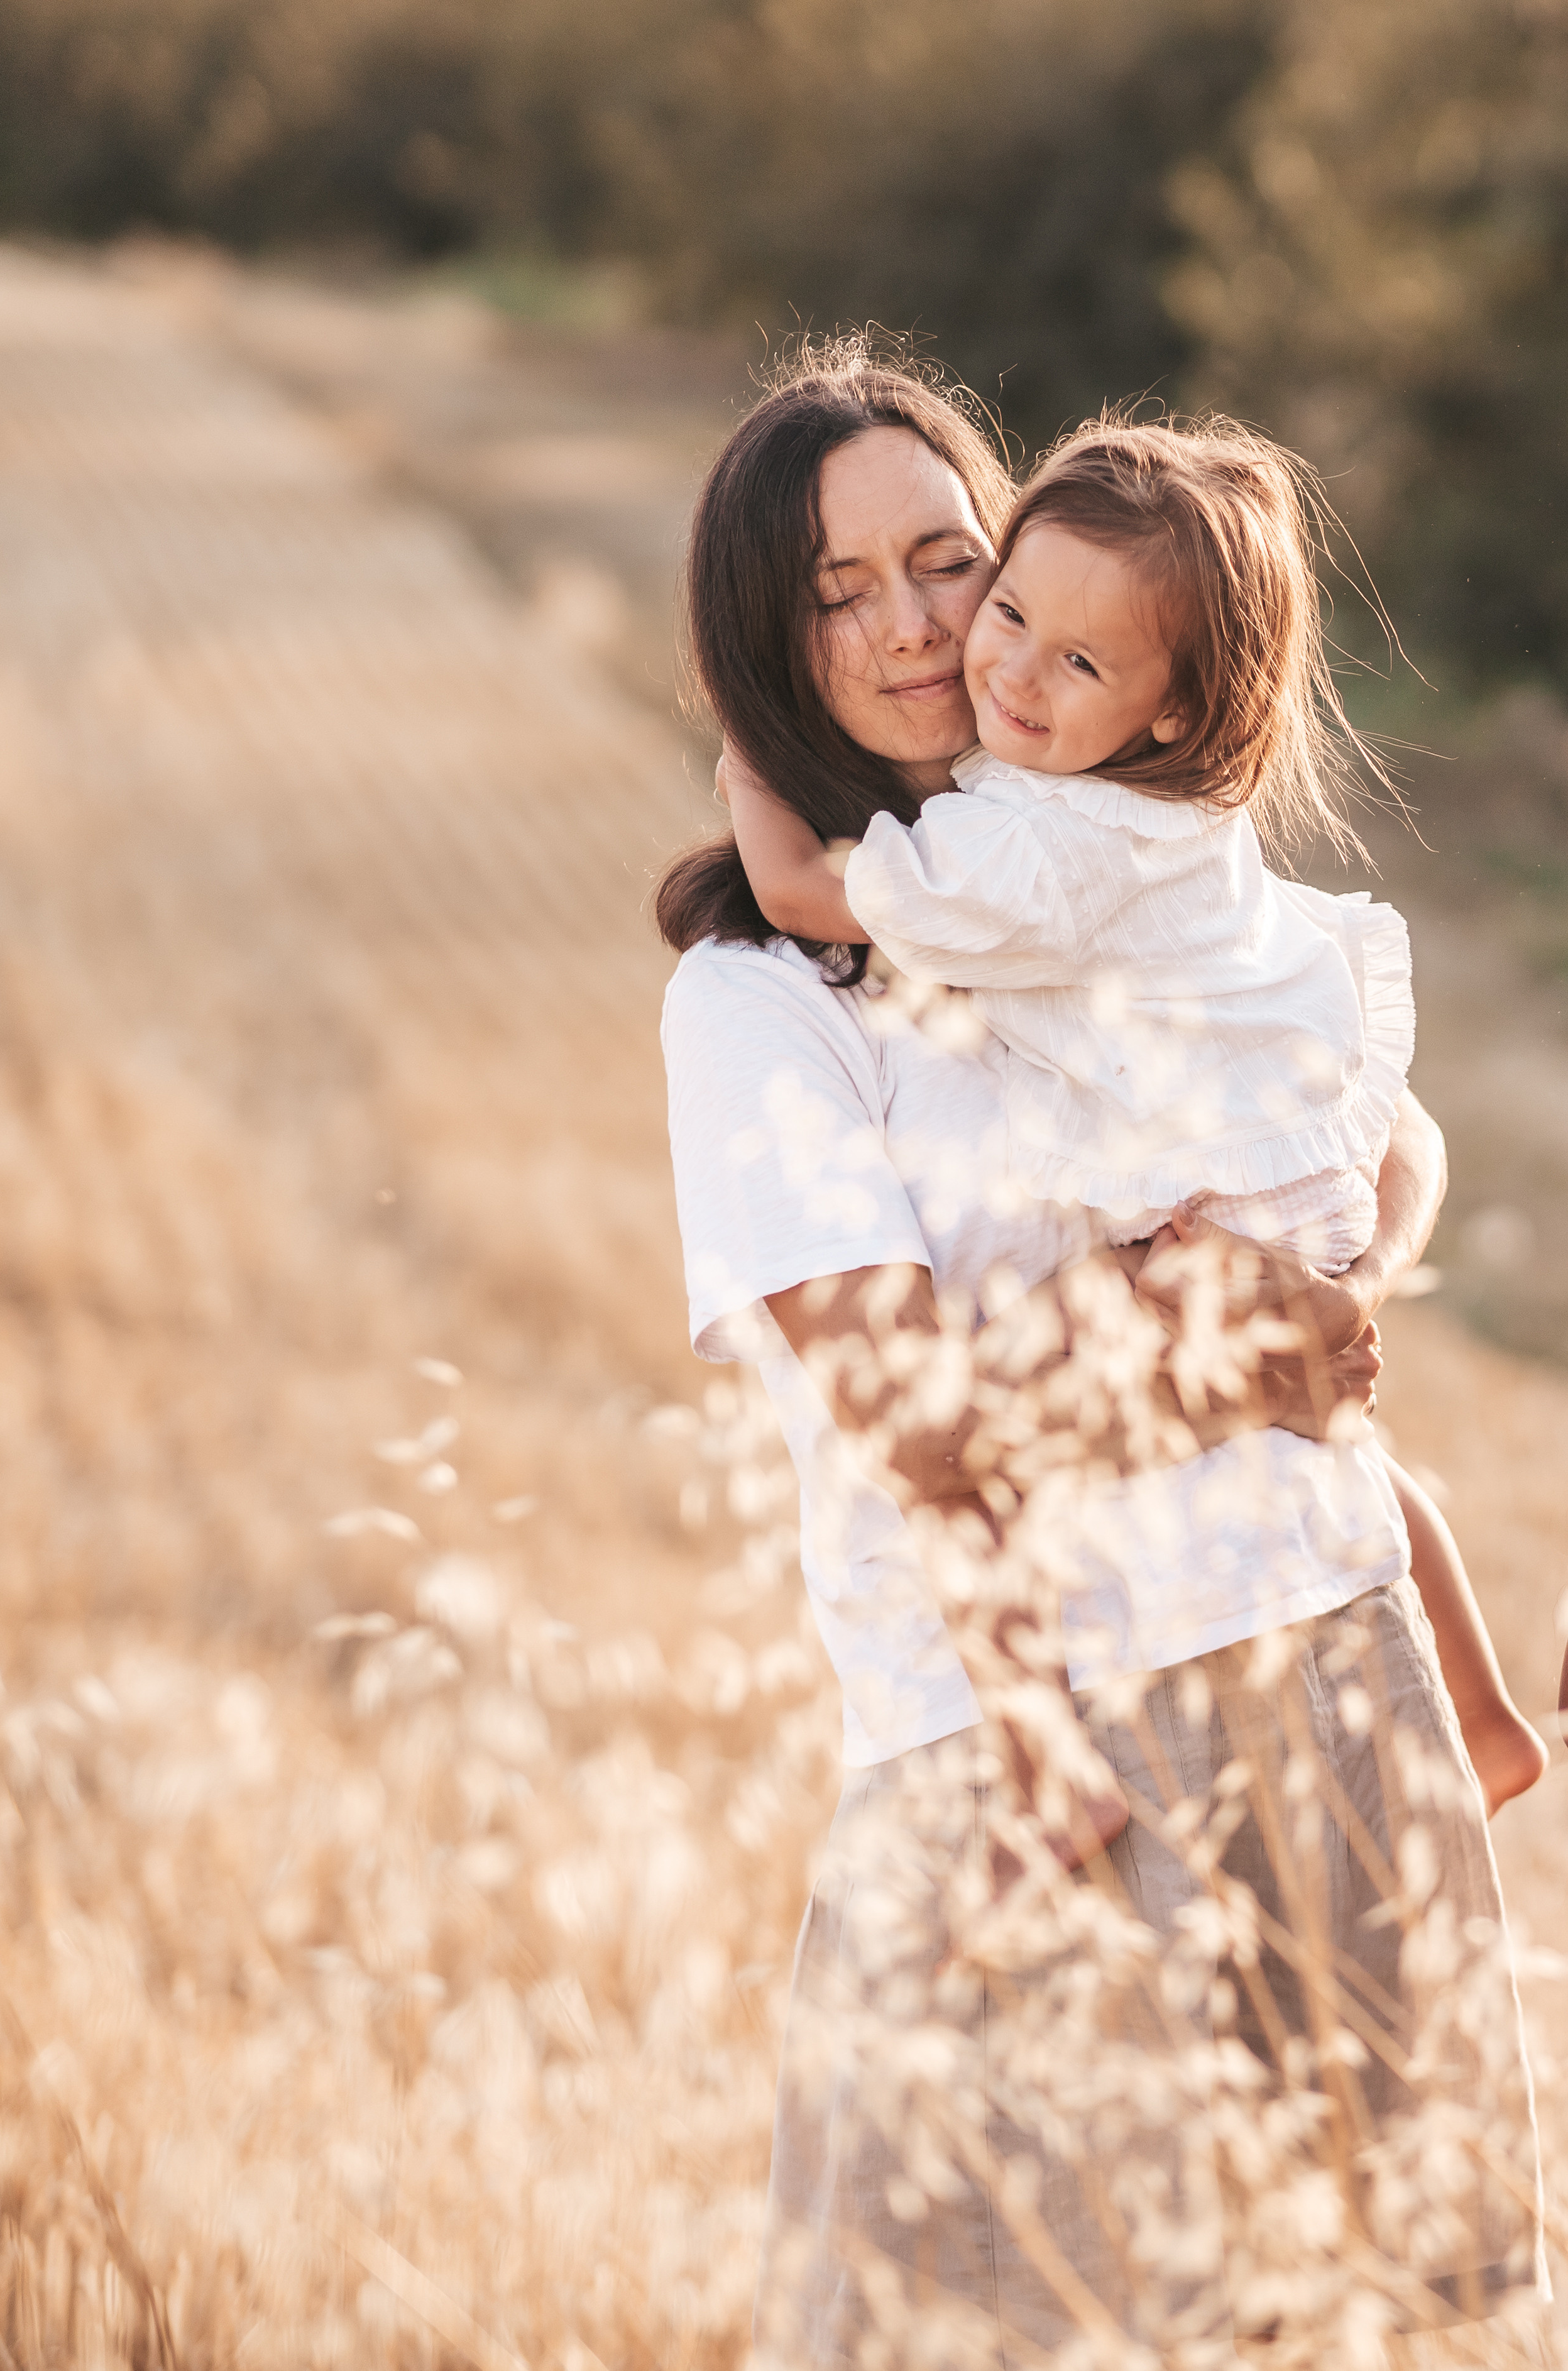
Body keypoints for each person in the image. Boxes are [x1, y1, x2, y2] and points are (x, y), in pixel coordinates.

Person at [656, 342, 1544, 2362]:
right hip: (1026, 1764)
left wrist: (1343, 1267)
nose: (908, 623)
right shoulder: (762, 1001)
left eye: (944, 558)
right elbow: (912, 1413)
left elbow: (1368, 1119)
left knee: (1419, 2318)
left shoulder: (1108, 857)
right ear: (757, 641)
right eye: (831, 589)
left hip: (1323, 1659)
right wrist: (1225, 1336)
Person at [722, 408, 1547, 1823]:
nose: (995, 660)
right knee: (1322, 1438)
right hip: (1285, 1172)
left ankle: (1051, 1767)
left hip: (1221, 1216)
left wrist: (747, 757)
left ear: (1169, 705)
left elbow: (806, 893)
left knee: (997, 1462)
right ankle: (1481, 1712)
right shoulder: (1145, 804)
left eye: (951, 568)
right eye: (840, 592)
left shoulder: (1034, 840)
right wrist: (1323, 1297)